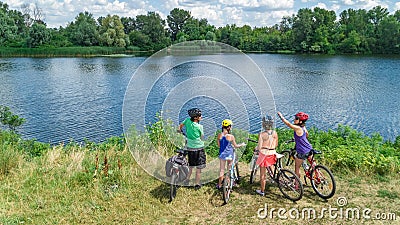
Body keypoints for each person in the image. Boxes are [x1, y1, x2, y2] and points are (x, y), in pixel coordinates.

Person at [277, 111, 312, 181]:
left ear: (300, 121)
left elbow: (288, 124)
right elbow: (307, 135)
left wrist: (281, 116)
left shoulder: (297, 128)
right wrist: (300, 139)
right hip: (309, 148)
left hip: (302, 151)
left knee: (297, 168)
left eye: (296, 118)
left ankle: (296, 185)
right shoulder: (303, 127)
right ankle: (318, 175)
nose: (294, 119)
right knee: (312, 163)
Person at [178, 108, 206, 190]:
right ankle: (197, 184)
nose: (201, 116)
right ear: (196, 118)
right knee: (199, 167)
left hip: (190, 148)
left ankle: (187, 180)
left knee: (191, 166)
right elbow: (202, 137)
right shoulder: (199, 126)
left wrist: (179, 131)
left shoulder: (187, 120)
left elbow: (180, 126)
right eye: (200, 115)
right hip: (199, 148)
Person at [216, 119, 246, 190]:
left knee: (222, 170)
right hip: (229, 155)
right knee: (229, 170)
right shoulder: (231, 136)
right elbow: (235, 146)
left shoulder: (219, 135)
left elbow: (219, 145)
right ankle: (229, 183)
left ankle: (219, 185)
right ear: (229, 127)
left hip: (222, 155)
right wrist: (241, 144)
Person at [255, 116, 279, 196]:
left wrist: (256, 150)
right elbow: (276, 144)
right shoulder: (275, 133)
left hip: (264, 155)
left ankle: (262, 191)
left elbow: (259, 147)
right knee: (271, 165)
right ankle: (273, 178)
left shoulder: (262, 135)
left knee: (262, 175)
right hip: (273, 153)